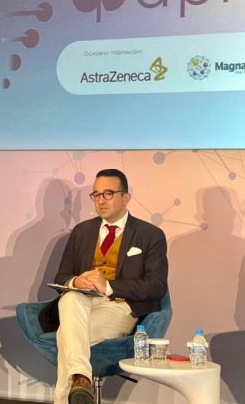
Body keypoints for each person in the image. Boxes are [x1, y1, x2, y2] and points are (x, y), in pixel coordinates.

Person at [39, 169, 168, 404]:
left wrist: (108, 286)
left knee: (67, 337)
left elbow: (156, 286)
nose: (100, 200)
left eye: (108, 194)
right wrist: (76, 282)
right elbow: (62, 277)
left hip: (120, 306)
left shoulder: (150, 234)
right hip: (80, 304)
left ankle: (75, 385)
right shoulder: (82, 231)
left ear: (126, 197)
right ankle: (81, 380)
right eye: (96, 195)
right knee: (70, 298)